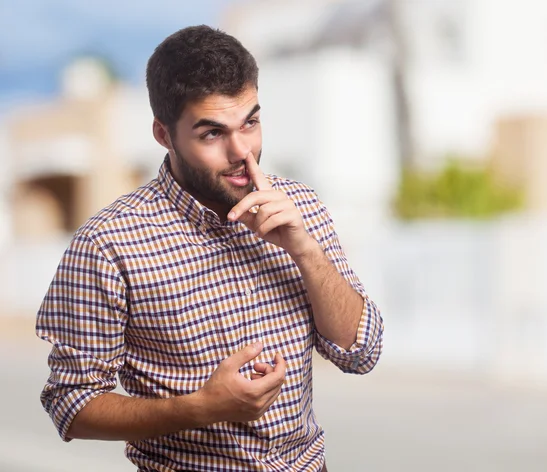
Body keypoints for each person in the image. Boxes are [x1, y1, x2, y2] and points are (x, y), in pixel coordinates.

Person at [36, 25, 384, 472]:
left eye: (251, 123)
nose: (243, 152)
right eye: (212, 134)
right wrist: (202, 407)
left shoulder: (299, 208)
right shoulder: (108, 244)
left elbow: (362, 352)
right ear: (164, 134)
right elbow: (71, 402)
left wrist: (305, 250)